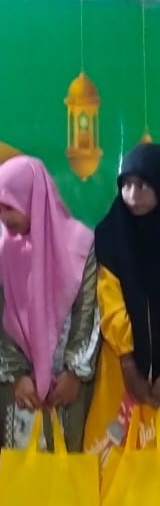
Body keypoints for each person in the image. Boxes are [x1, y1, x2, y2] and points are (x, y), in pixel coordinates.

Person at [0, 155, 98, 451]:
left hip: (67, 386)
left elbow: (88, 311)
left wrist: (75, 372)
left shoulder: (80, 244)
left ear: (32, 198)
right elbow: (0, 319)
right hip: (21, 389)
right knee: (21, 471)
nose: (3, 217)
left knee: (67, 466)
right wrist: (17, 376)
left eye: (10, 207)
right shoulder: (4, 254)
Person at [85, 143, 160, 468]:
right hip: (119, 364)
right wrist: (129, 364)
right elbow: (109, 301)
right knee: (112, 457)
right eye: (126, 185)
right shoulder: (110, 235)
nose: (132, 194)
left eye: (142, 185)